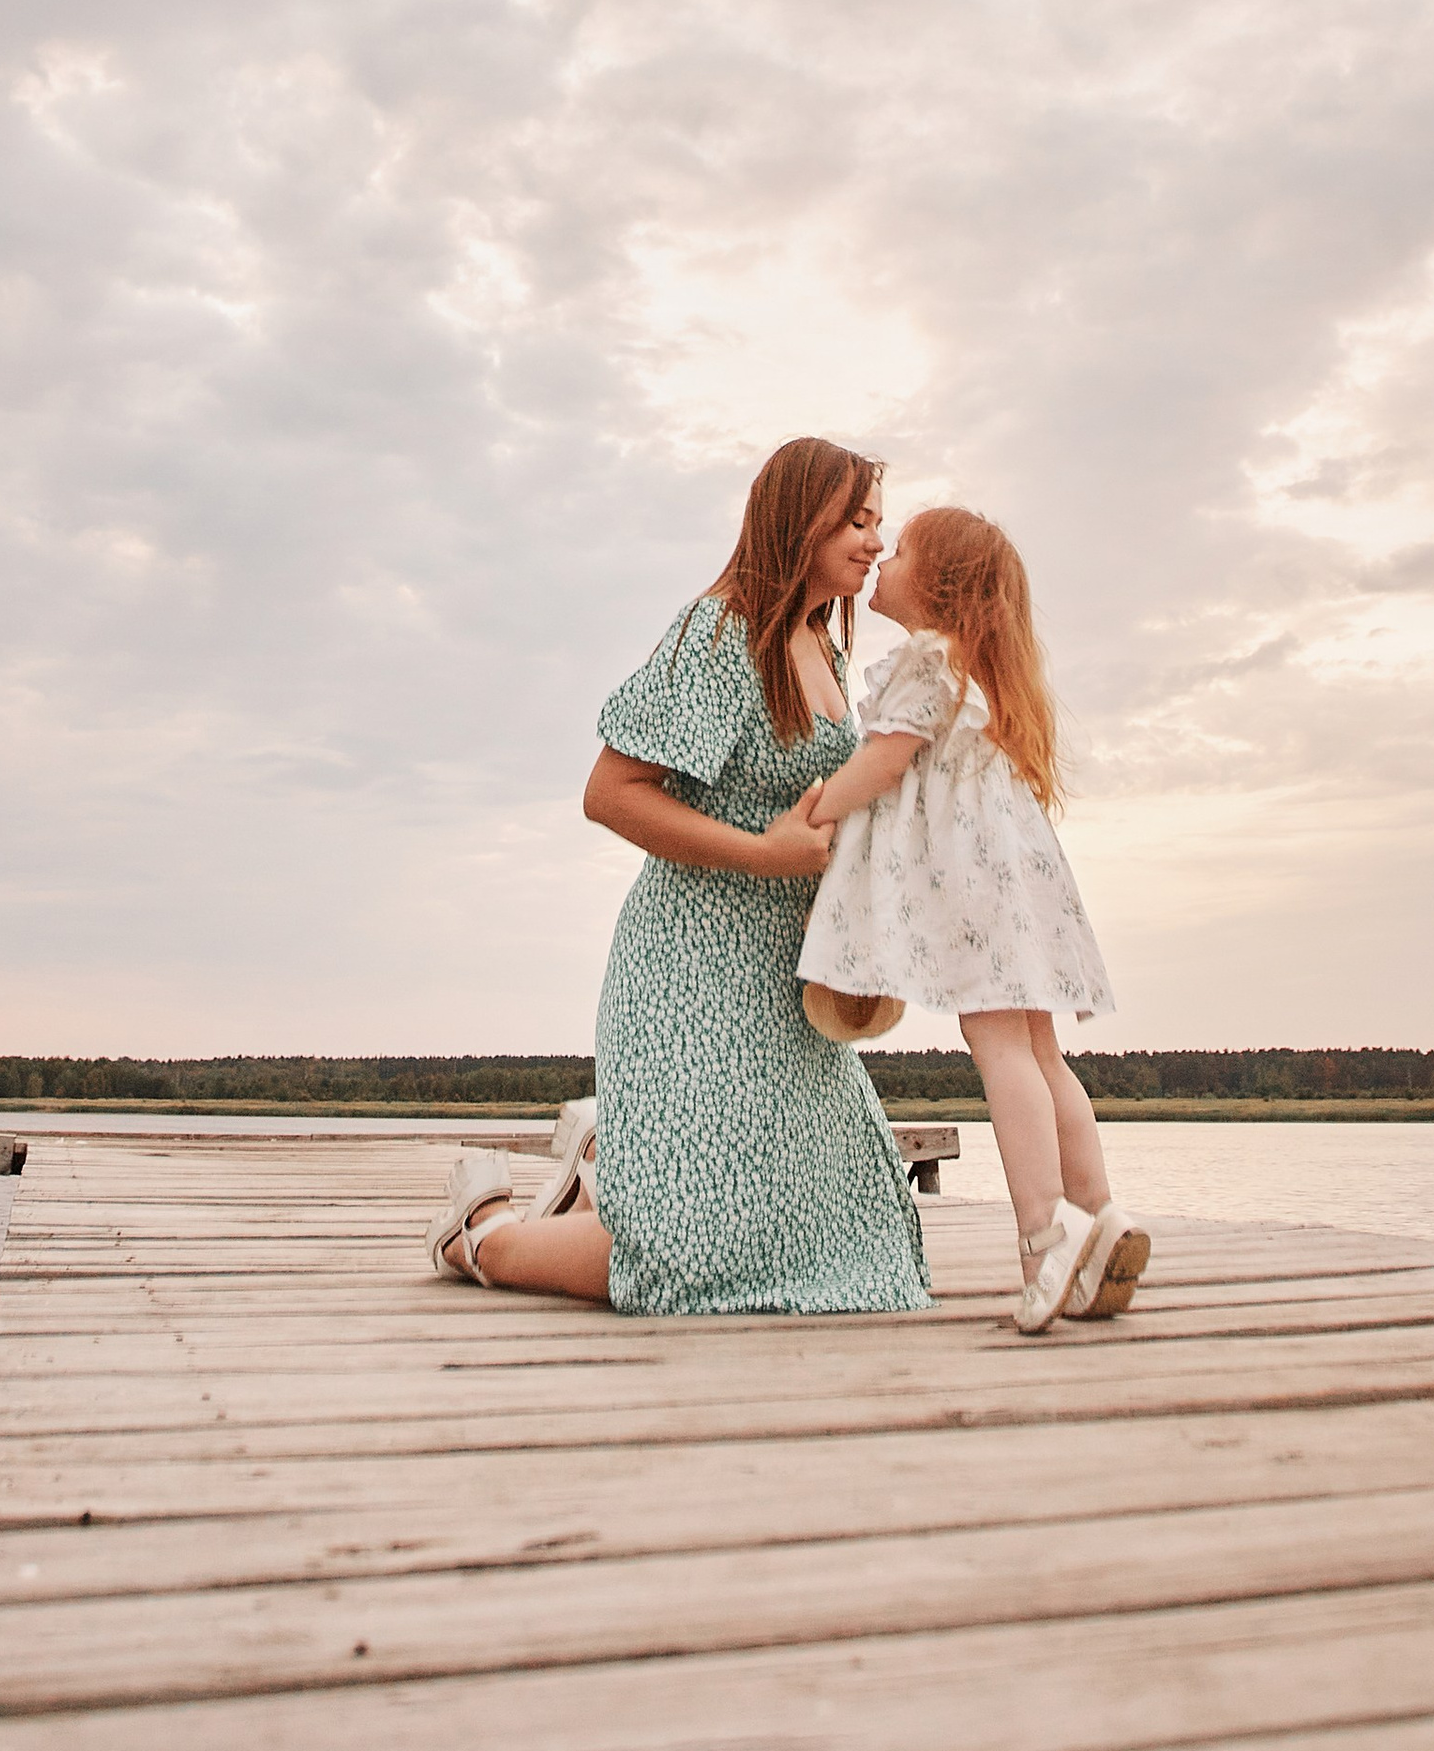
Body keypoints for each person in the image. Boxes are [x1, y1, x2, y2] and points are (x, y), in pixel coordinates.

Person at [427, 437, 930, 1315]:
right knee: (692, 1267)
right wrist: (765, 855)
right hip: (692, 972)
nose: (875, 541)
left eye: (878, 522)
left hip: (790, 981)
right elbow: (610, 794)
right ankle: (482, 1233)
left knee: (867, 1242)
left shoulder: (826, 651)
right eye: (856, 520)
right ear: (796, 517)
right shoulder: (722, 630)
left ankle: (602, 1166)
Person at [800, 504, 1146, 1334]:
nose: (885, 555)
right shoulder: (975, 672)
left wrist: (812, 810)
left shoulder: (927, 661)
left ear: (939, 585)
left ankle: (1042, 1241)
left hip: (975, 884)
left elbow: (881, 765)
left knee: (998, 1052)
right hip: (1020, 879)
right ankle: (1098, 1218)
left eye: (904, 549)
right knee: (1041, 1050)